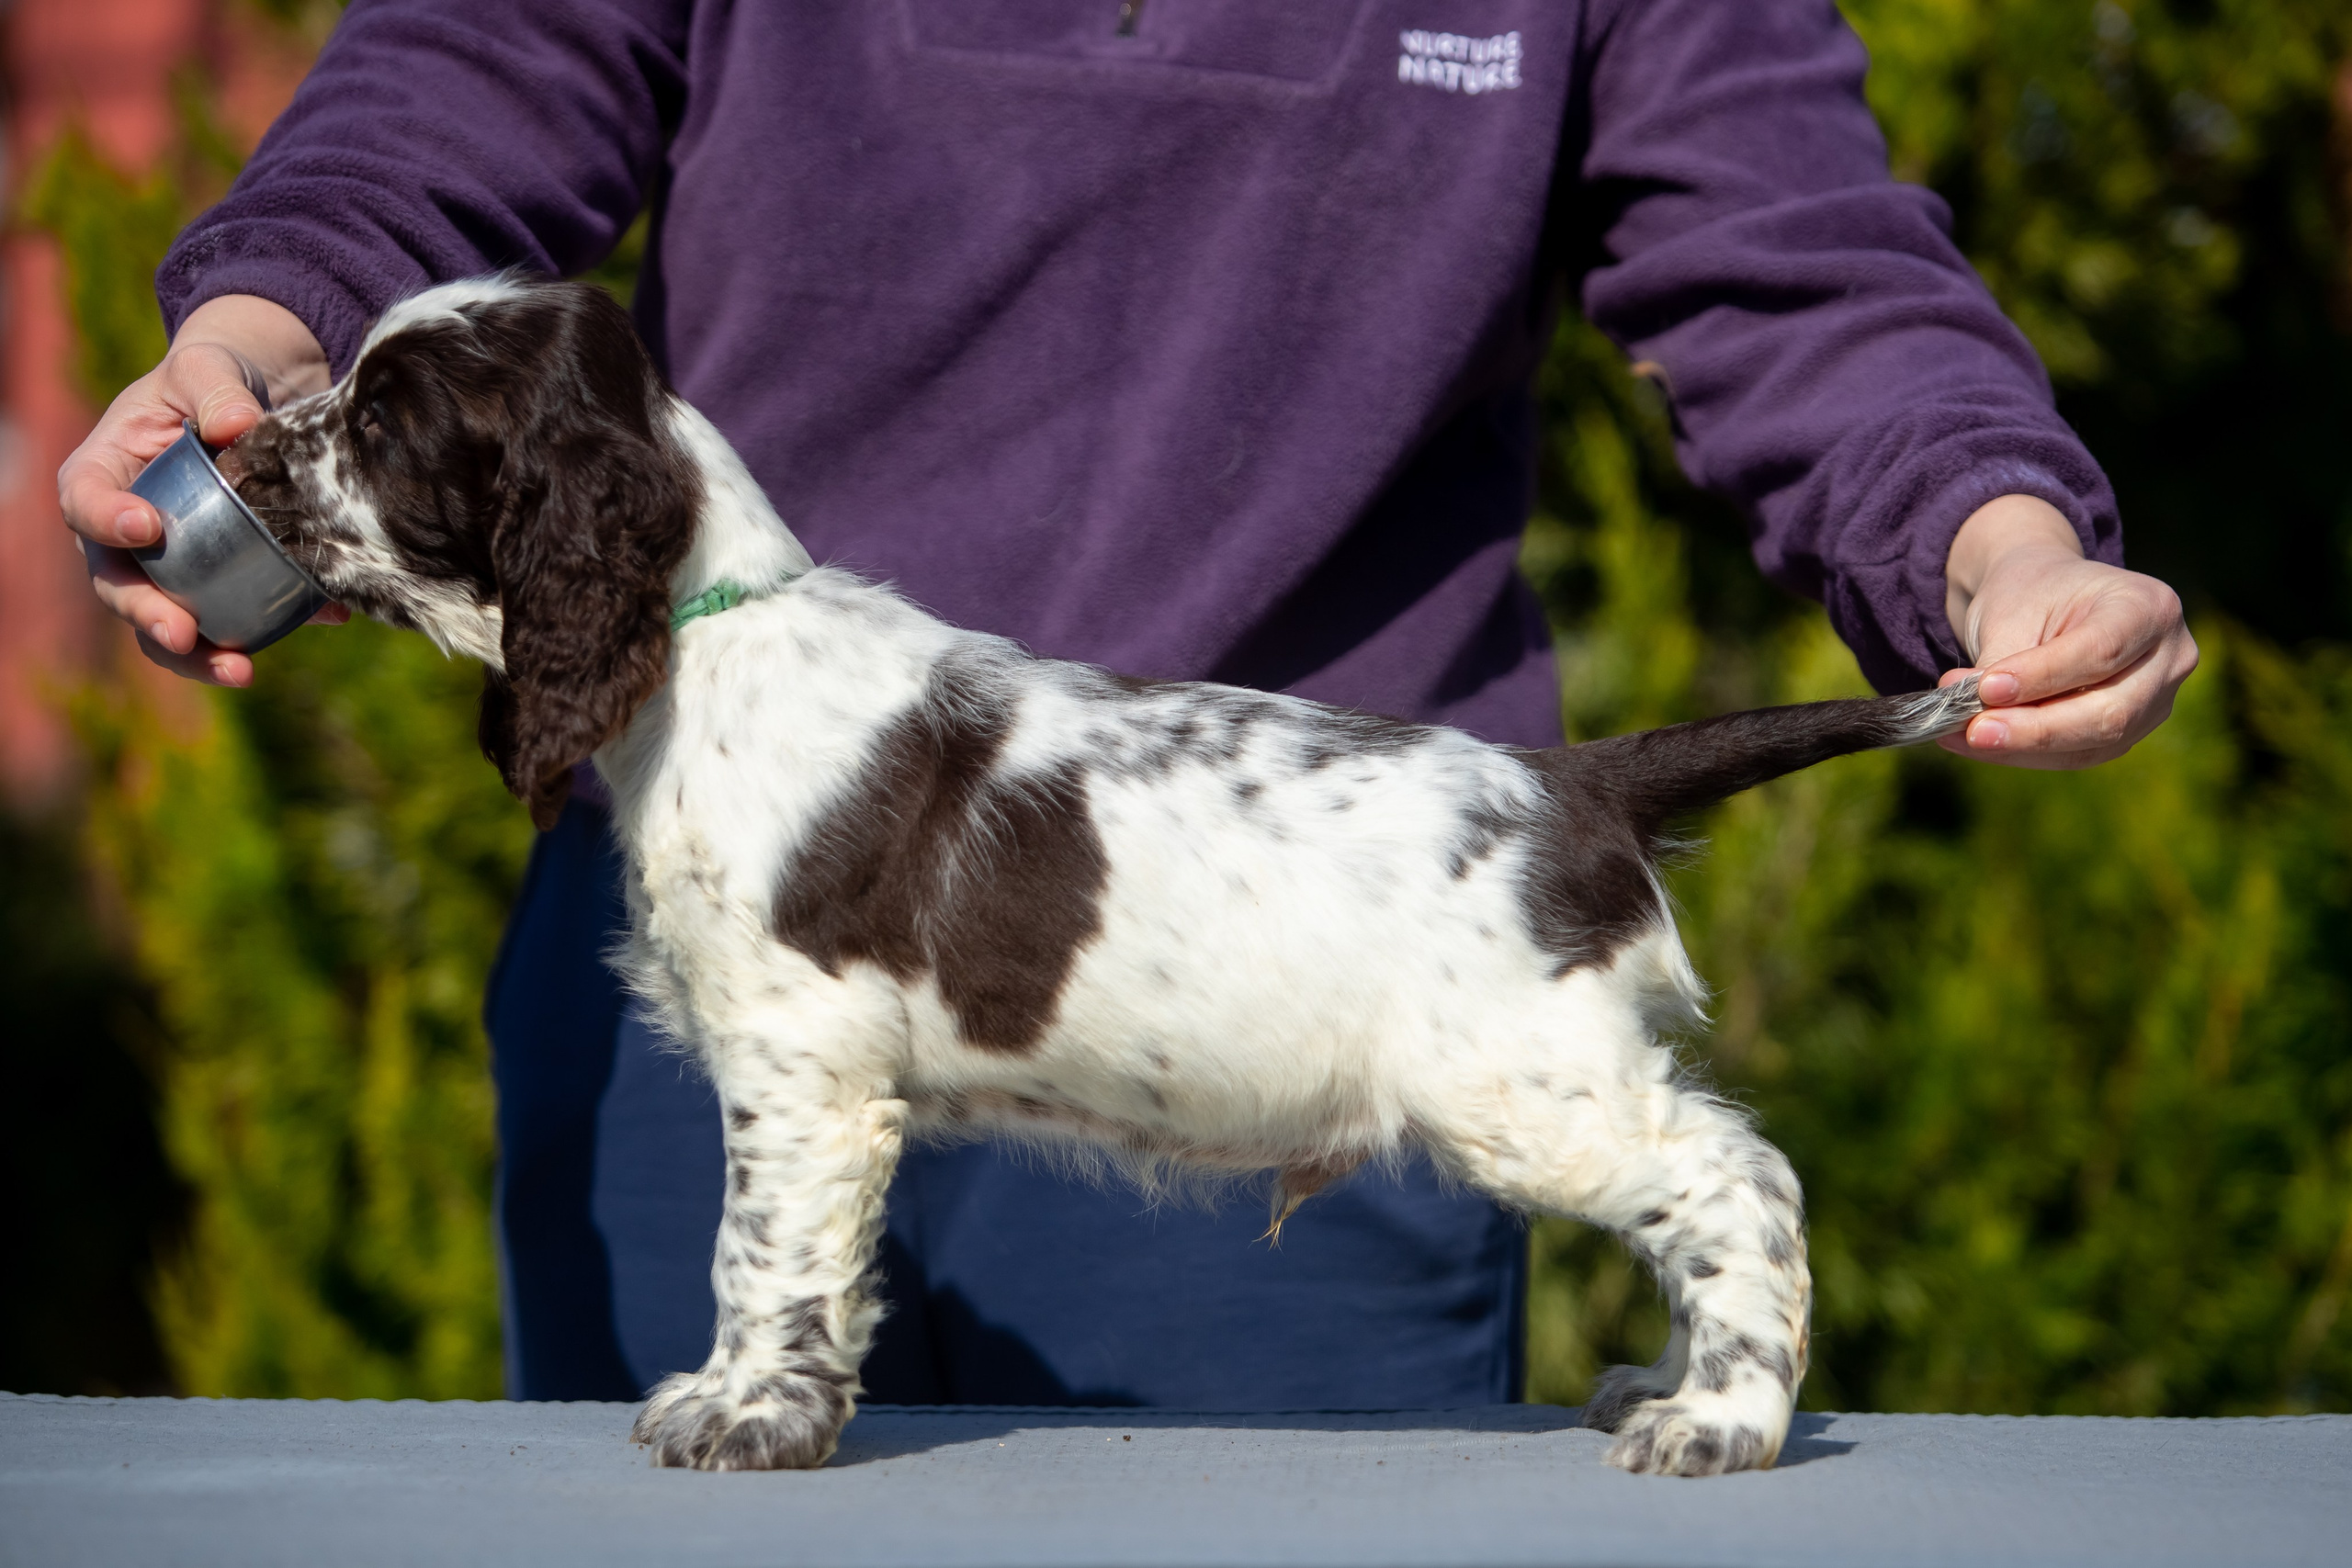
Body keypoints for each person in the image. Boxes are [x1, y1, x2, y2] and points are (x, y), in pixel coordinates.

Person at [61, 0, 2197, 1406]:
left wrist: (1989, 542)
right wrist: (254, 352)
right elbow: (468, 73)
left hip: (1298, 993)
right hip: (711, 956)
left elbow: (1795, 257)